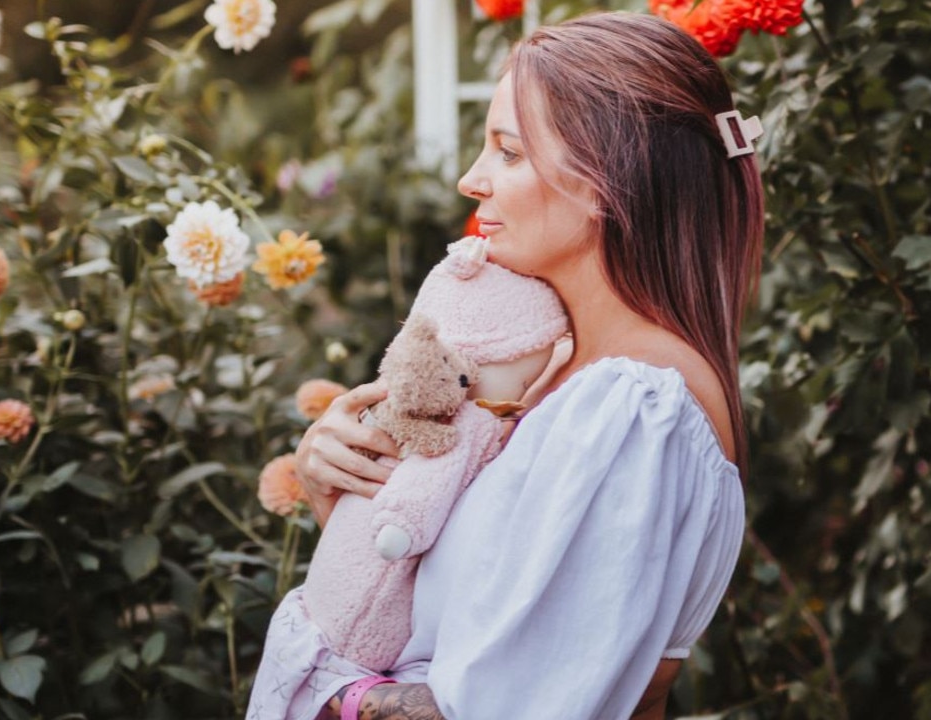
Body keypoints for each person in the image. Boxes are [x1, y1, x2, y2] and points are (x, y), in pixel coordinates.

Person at [246, 11, 765, 720]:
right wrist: (343, 496)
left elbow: (497, 707)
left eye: (508, 152)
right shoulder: (560, 375)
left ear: (603, 180)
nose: (471, 180)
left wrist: (329, 687)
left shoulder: (632, 410)